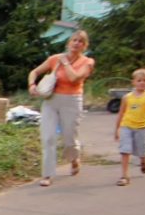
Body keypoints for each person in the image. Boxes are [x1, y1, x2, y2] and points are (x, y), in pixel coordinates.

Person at [28, 30, 95, 186]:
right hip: (51, 100)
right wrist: (31, 84)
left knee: (69, 138)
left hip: (72, 101)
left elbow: (74, 78)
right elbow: (35, 72)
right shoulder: (54, 58)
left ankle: (74, 159)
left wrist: (65, 62)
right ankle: (47, 175)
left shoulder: (87, 62)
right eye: (74, 40)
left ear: (84, 46)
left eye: (80, 41)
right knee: (48, 137)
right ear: (68, 43)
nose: (76, 43)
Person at [113, 68, 145, 186]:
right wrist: (116, 129)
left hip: (141, 127)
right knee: (125, 151)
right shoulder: (127, 97)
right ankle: (124, 176)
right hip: (126, 126)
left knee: (141, 152)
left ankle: (144, 161)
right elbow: (121, 113)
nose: (142, 83)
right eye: (139, 80)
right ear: (133, 82)